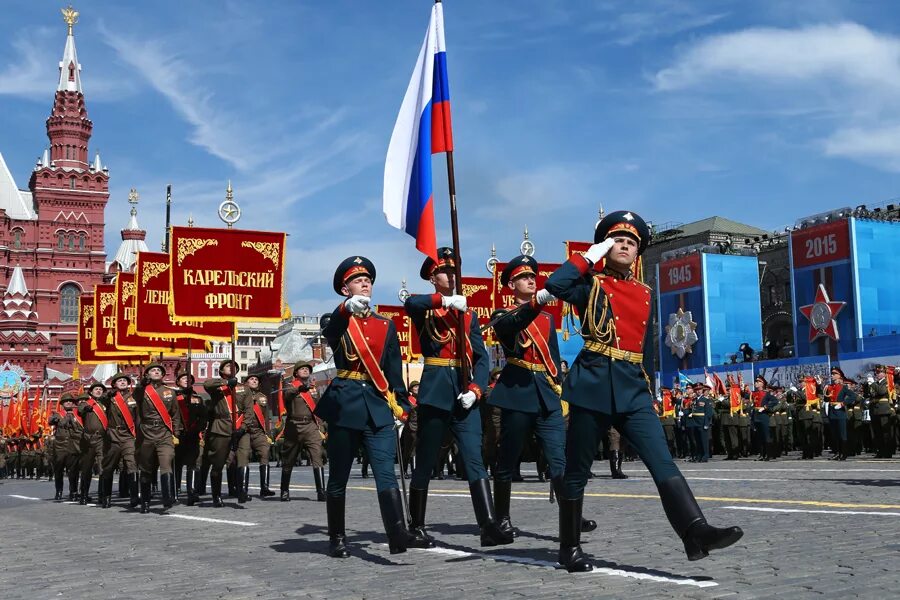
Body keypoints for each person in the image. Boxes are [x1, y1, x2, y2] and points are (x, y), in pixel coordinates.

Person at [545, 210, 742, 572]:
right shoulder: (591, 284)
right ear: (606, 245)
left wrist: (650, 387)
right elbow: (556, 285)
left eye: (631, 242)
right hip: (592, 383)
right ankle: (568, 547)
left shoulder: (646, 292)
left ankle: (695, 531)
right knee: (577, 470)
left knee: (661, 459)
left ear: (639, 253)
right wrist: (590, 255)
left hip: (632, 388)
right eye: (618, 239)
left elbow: (646, 350)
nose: (624, 245)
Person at [404, 247, 512, 548]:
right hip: (436, 389)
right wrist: (445, 301)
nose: (451, 276)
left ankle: (488, 525)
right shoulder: (426, 308)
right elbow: (410, 303)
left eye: (454, 271)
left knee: (474, 457)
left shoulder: (469, 314)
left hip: (463, 392)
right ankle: (416, 526)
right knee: (426, 457)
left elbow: (480, 358)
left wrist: (477, 389)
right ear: (432, 277)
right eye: (444, 271)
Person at [488, 254, 596, 537]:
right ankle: (501, 519)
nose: (531, 281)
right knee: (508, 459)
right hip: (517, 390)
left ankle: (573, 516)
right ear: (512, 284)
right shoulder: (502, 314)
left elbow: (555, 357)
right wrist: (536, 304)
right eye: (524, 277)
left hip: (546, 393)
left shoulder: (548, 318)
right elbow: (514, 325)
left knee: (559, 458)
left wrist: (559, 384)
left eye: (533, 277)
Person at [314, 256, 414, 557]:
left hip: (378, 404)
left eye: (368, 279)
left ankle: (398, 536)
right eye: (358, 280)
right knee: (339, 475)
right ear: (346, 290)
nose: (365, 283)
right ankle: (337, 538)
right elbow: (331, 332)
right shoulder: (336, 320)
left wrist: (402, 403)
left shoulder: (386, 325)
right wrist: (346, 310)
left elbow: (393, 369)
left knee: (386, 471)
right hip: (345, 404)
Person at [133, 363, 183, 513]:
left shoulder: (169, 392)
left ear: (163, 375)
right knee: (146, 468)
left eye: (159, 370)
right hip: (147, 433)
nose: (156, 372)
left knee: (166, 462)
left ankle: (167, 498)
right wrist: (141, 385)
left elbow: (175, 414)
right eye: (153, 370)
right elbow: (136, 396)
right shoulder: (142, 391)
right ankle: (145, 501)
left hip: (164, 432)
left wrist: (176, 432)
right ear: (147, 374)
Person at [279, 360, 326, 501]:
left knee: (317, 456)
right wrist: (299, 389)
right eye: (302, 369)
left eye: (307, 369)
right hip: (294, 426)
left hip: (311, 426)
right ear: (296, 373)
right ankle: (284, 490)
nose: (305, 370)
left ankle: (321, 491)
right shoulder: (289, 386)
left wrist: (321, 426)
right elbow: (287, 395)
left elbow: (318, 408)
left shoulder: (313, 388)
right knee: (289, 459)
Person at [202, 359, 241, 507]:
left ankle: (239, 490)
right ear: (221, 370)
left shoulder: (242, 387)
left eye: (233, 367)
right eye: (227, 366)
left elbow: (248, 408)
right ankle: (216, 495)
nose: (231, 368)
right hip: (221, 427)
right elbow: (207, 384)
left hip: (237, 427)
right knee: (218, 463)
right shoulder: (217, 386)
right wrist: (226, 383)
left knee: (238, 460)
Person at [99, 373, 139, 508]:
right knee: (109, 466)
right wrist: (108, 395)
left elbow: (138, 416)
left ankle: (134, 496)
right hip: (113, 435)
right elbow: (101, 399)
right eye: (119, 381)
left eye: (124, 380)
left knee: (132, 464)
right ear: (114, 384)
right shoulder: (110, 398)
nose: (122, 382)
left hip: (128, 435)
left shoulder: (134, 397)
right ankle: (106, 497)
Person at [235, 373, 274, 502]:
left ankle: (265, 487)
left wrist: (267, 434)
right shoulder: (239, 393)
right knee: (243, 457)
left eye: (256, 379)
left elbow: (266, 417)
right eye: (251, 379)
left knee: (265, 453)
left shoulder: (262, 397)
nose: (254, 381)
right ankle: (242, 490)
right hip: (244, 430)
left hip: (258, 431)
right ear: (245, 382)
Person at [173, 371, 206, 505]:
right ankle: (175, 491)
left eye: (189, 379)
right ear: (178, 382)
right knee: (176, 464)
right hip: (178, 434)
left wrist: (199, 427)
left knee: (193, 463)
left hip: (192, 434)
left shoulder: (197, 398)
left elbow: (202, 416)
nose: (186, 380)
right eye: (183, 378)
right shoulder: (173, 397)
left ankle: (192, 492)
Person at [77, 382, 110, 505]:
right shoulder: (86, 404)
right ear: (91, 392)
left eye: (100, 389)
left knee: (103, 467)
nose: (98, 391)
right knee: (87, 468)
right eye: (96, 389)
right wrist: (86, 408)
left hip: (102, 439)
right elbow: (80, 410)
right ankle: (84, 495)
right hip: (88, 440)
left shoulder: (106, 404)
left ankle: (103, 495)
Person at [825, 367, 858, 460]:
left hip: (840, 412)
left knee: (842, 434)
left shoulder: (843, 387)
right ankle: (837, 452)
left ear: (839, 376)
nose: (832, 375)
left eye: (834, 374)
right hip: (832, 412)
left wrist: (843, 404)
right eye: (832, 374)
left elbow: (853, 396)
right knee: (834, 434)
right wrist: (820, 387)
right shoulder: (830, 387)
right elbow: (826, 399)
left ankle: (844, 453)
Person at [868, 365, 895, 458]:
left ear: (884, 374)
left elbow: (881, 391)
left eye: (879, 372)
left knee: (885, 433)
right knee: (877, 433)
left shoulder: (887, 382)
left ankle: (888, 452)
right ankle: (880, 451)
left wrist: (872, 384)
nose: (877, 374)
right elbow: (871, 394)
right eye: (876, 372)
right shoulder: (876, 383)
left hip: (884, 410)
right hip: (875, 410)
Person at [751, 376, 779, 461]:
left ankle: (768, 454)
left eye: (757, 382)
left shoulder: (766, 393)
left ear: (762, 384)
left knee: (766, 436)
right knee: (759, 437)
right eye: (756, 381)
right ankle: (762, 454)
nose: (756, 383)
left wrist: (765, 407)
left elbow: (775, 401)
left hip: (763, 416)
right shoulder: (754, 393)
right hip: (756, 416)